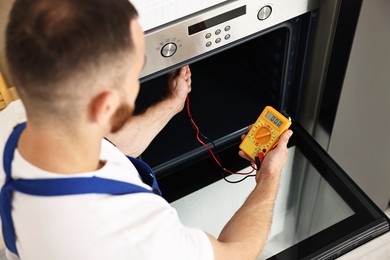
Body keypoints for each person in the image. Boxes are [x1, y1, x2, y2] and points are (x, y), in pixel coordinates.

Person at [0, 0, 293, 259]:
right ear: (105, 106)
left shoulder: (17, 119)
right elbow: (235, 253)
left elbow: (110, 145)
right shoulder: (131, 233)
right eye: (136, 71)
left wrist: (172, 104)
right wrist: (269, 178)